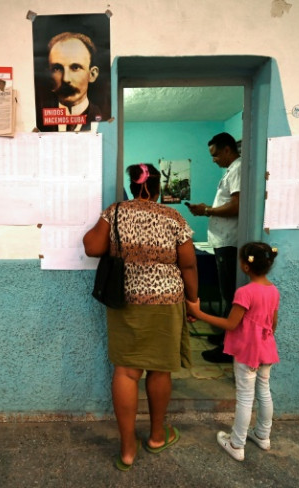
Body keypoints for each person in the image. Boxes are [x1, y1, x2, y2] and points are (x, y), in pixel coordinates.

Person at [83, 163, 199, 471]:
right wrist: (194, 301)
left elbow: (92, 248)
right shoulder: (173, 217)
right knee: (160, 370)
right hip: (167, 301)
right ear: (158, 188)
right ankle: (158, 436)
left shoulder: (116, 212)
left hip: (127, 300)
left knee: (126, 372)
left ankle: (127, 449)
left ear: (132, 186)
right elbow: (188, 265)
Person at [186, 242, 279, 462]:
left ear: (246, 267)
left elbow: (230, 324)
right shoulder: (273, 290)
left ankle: (237, 444)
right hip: (266, 349)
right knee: (264, 392)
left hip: (248, 352)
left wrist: (199, 314)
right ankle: (263, 436)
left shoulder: (245, 293)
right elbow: (273, 324)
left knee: (245, 397)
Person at [186, 132, 241, 363]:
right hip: (221, 242)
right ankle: (224, 339)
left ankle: (229, 349)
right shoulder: (230, 170)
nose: (214, 160)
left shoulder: (238, 169)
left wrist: (207, 210)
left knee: (230, 295)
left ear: (227, 150)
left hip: (229, 243)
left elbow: (237, 206)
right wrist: (207, 208)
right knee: (225, 293)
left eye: (215, 155)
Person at [39, 31, 102, 132]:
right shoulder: (38, 120)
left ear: (92, 74)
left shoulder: (103, 119)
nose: (66, 79)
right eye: (57, 69)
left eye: (75, 67)